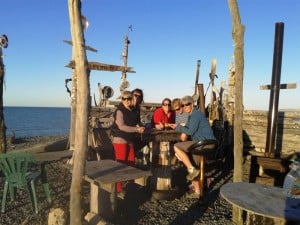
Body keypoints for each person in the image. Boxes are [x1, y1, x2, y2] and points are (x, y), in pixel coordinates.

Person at [169, 95, 216, 199]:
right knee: (193, 164)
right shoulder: (192, 115)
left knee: (177, 147)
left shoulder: (196, 114)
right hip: (200, 143)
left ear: (192, 104)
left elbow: (190, 131)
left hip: (205, 143)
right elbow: (189, 129)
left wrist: (178, 127)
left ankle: (191, 169)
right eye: (182, 105)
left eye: (187, 105)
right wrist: (181, 128)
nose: (185, 107)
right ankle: (198, 191)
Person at [110, 91, 145, 193]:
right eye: (124, 99)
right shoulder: (120, 111)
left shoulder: (133, 110)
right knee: (120, 164)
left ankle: (126, 184)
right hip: (120, 139)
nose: (126, 101)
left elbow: (136, 122)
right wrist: (137, 129)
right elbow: (121, 126)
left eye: (128, 98)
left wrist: (141, 127)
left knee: (131, 163)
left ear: (132, 99)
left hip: (129, 139)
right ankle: (118, 188)